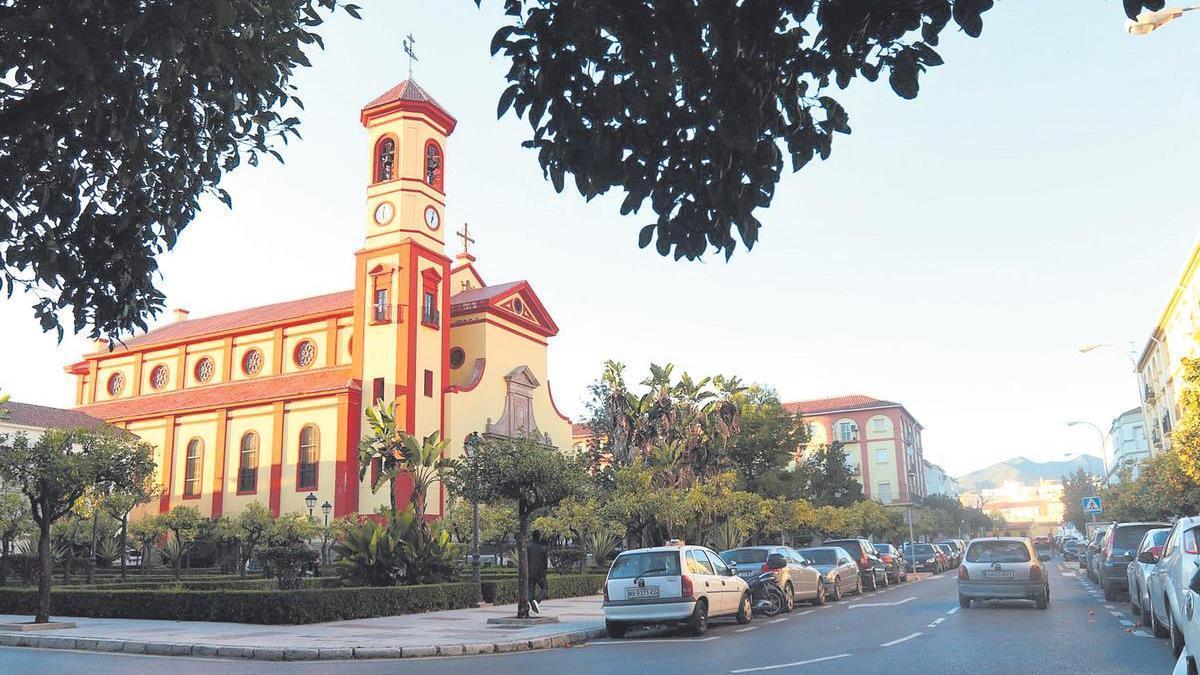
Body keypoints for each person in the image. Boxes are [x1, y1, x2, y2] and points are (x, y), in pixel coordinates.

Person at [527, 530, 550, 614]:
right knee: (545, 589)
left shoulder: (527, 546)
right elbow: (545, 563)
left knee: (530, 590)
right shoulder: (542, 548)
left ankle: (529, 605)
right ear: (538, 536)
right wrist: (544, 573)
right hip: (540, 573)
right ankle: (536, 601)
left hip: (529, 572)